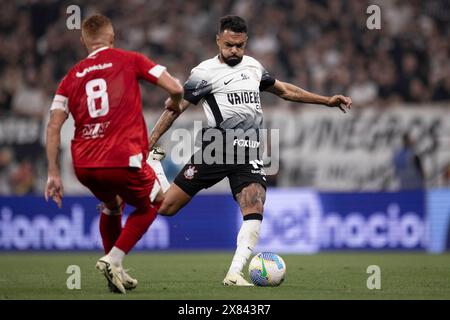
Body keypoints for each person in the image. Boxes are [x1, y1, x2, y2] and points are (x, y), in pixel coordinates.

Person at [148, 15, 352, 286]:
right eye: (230, 45)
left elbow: (286, 91)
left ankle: (234, 273)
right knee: (165, 207)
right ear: (218, 40)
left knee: (254, 205)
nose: (235, 51)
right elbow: (175, 108)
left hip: (250, 151)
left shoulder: (254, 67)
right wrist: (151, 140)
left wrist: (326, 100)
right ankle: (153, 161)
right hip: (216, 150)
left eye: (240, 46)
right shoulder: (203, 73)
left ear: (246, 43)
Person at [44, 14, 183, 294]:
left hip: (83, 165)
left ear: (83, 41)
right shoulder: (131, 59)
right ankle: (113, 259)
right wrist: (175, 102)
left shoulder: (70, 78)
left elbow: (54, 126)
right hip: (122, 157)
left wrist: (53, 173)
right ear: (113, 36)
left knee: (112, 205)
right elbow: (176, 87)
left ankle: (115, 272)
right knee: (154, 203)